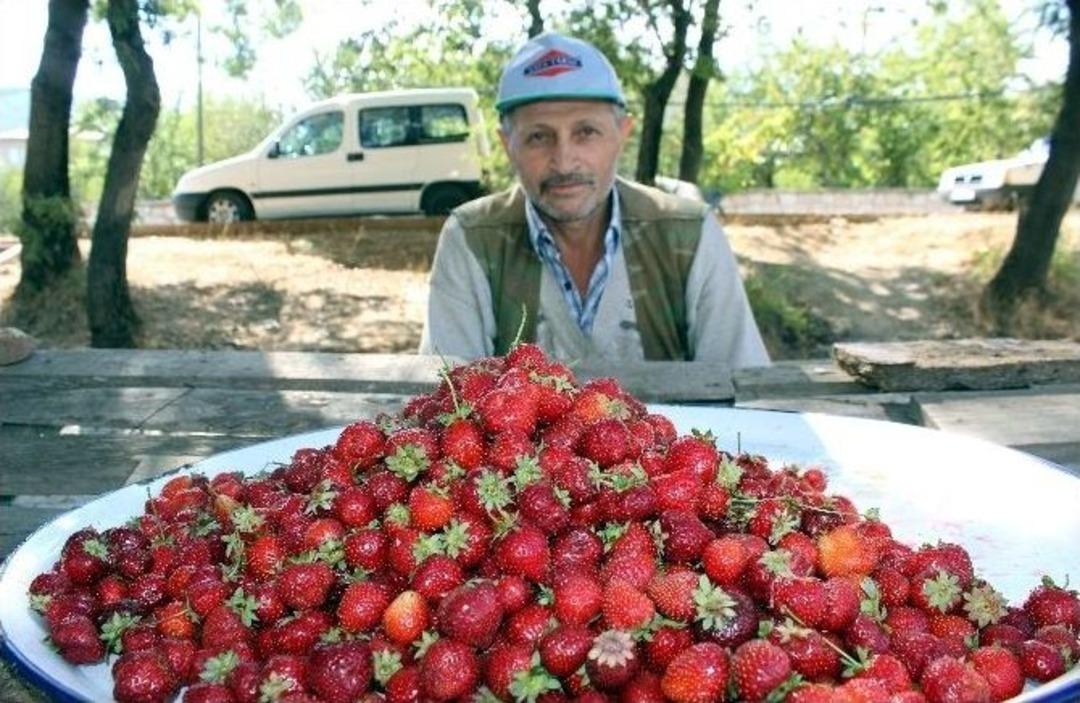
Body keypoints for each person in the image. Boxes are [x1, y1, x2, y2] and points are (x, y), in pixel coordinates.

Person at [419, 32, 769, 367]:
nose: (564, 160)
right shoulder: (472, 238)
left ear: (622, 134)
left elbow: (746, 393)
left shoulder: (689, 235)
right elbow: (447, 399)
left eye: (586, 132)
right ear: (507, 145)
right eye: (539, 137)